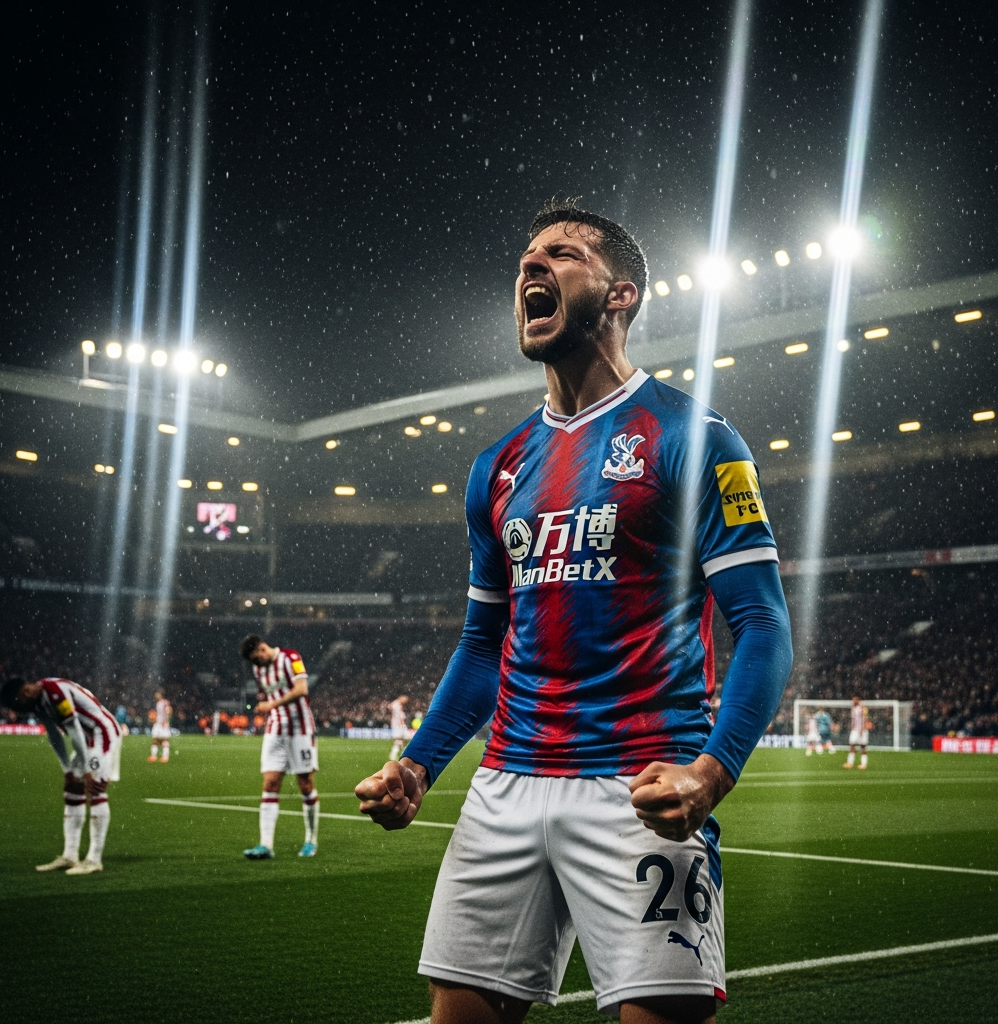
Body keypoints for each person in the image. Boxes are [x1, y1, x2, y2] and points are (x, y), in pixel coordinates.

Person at [356, 200, 793, 1024]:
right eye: (525, 257)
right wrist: (418, 766)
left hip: (639, 784)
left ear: (620, 295)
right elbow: (484, 645)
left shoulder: (693, 437)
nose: (530, 266)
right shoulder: (497, 465)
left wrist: (711, 773)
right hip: (505, 786)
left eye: (560, 254)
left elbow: (764, 625)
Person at [0, 676, 122, 875]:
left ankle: (94, 859)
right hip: (85, 737)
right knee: (72, 788)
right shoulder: (38, 704)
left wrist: (88, 770)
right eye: (22, 697)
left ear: (26, 684)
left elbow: (73, 729)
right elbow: (54, 735)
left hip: (101, 732)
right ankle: (70, 856)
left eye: (25, 689)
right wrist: (67, 769)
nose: (28, 693)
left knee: (95, 787)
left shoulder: (55, 692)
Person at [240, 635, 320, 858]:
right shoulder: (259, 672)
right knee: (270, 783)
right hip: (275, 730)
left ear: (263, 648)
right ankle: (266, 845)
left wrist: (271, 704)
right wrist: (268, 706)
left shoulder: (291, 657)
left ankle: (310, 841)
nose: (257, 665)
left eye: (257, 659)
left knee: (305, 784)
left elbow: (302, 688)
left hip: (300, 729)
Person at [845, 697, 869, 770]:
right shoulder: (853, 709)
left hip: (862, 730)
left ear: (858, 700)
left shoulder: (862, 708)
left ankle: (863, 764)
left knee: (863, 747)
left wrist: (862, 730)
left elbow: (864, 719)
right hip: (855, 730)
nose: (853, 701)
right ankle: (850, 763)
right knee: (852, 745)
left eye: (855, 699)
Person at [149, 690, 172, 762]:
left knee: (164, 740)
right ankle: (153, 756)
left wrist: (166, 720)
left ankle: (165, 757)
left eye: (157, 694)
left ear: (161, 695)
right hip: (158, 724)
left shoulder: (165, 702)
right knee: (155, 740)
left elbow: (169, 710)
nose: (156, 695)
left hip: (163, 724)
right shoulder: (158, 703)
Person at [388, 694, 410, 761]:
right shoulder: (397, 705)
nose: (406, 701)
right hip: (399, 725)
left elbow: (389, 706)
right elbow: (390, 707)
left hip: (398, 725)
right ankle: (396, 754)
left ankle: (399, 753)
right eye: (405, 700)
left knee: (402, 739)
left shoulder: (396, 704)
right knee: (402, 739)